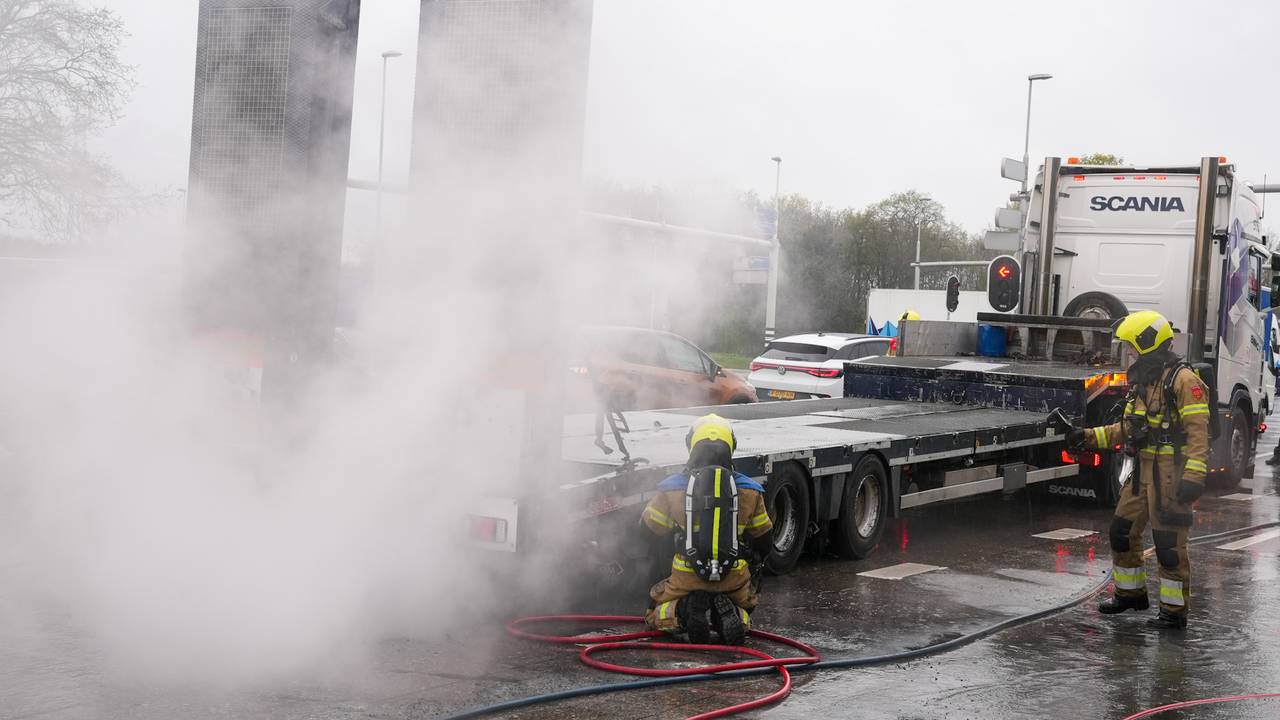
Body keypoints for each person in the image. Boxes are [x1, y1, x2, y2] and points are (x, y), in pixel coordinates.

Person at [1066, 310, 1210, 630]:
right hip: (1142, 472)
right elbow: (1127, 429)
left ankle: (1174, 613)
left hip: (1171, 476)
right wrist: (1086, 438)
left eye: (1132, 345)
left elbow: (1199, 433)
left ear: (1147, 342)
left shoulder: (1184, 381)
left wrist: (1194, 477)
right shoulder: (1143, 380)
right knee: (1121, 531)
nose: (1129, 352)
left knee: (1168, 546)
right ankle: (1130, 595)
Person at [641, 414, 773, 645]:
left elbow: (649, 531)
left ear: (692, 445)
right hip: (734, 576)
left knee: (654, 613)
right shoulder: (751, 490)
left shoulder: (672, 488)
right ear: (730, 446)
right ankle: (734, 615)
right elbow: (764, 538)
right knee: (745, 607)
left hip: (685, 576)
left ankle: (683, 610)